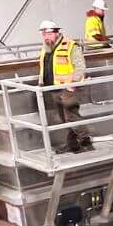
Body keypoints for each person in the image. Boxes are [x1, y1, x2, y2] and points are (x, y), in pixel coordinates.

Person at [37, 20, 93, 153]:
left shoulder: (70, 45)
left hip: (68, 88)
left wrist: (72, 85)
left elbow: (80, 67)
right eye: (43, 34)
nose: (46, 37)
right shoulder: (46, 48)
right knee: (63, 118)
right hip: (53, 88)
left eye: (49, 34)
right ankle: (73, 144)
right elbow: (43, 67)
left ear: (57, 32)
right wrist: (40, 83)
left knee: (71, 116)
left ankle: (86, 143)